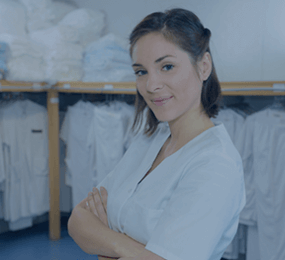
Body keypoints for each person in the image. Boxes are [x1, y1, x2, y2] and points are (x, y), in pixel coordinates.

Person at [68, 8, 246, 260]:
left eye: (167, 66)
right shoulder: (150, 139)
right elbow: (78, 219)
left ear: (204, 66)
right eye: (141, 72)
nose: (151, 86)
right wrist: (124, 247)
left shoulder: (215, 165)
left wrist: (105, 241)